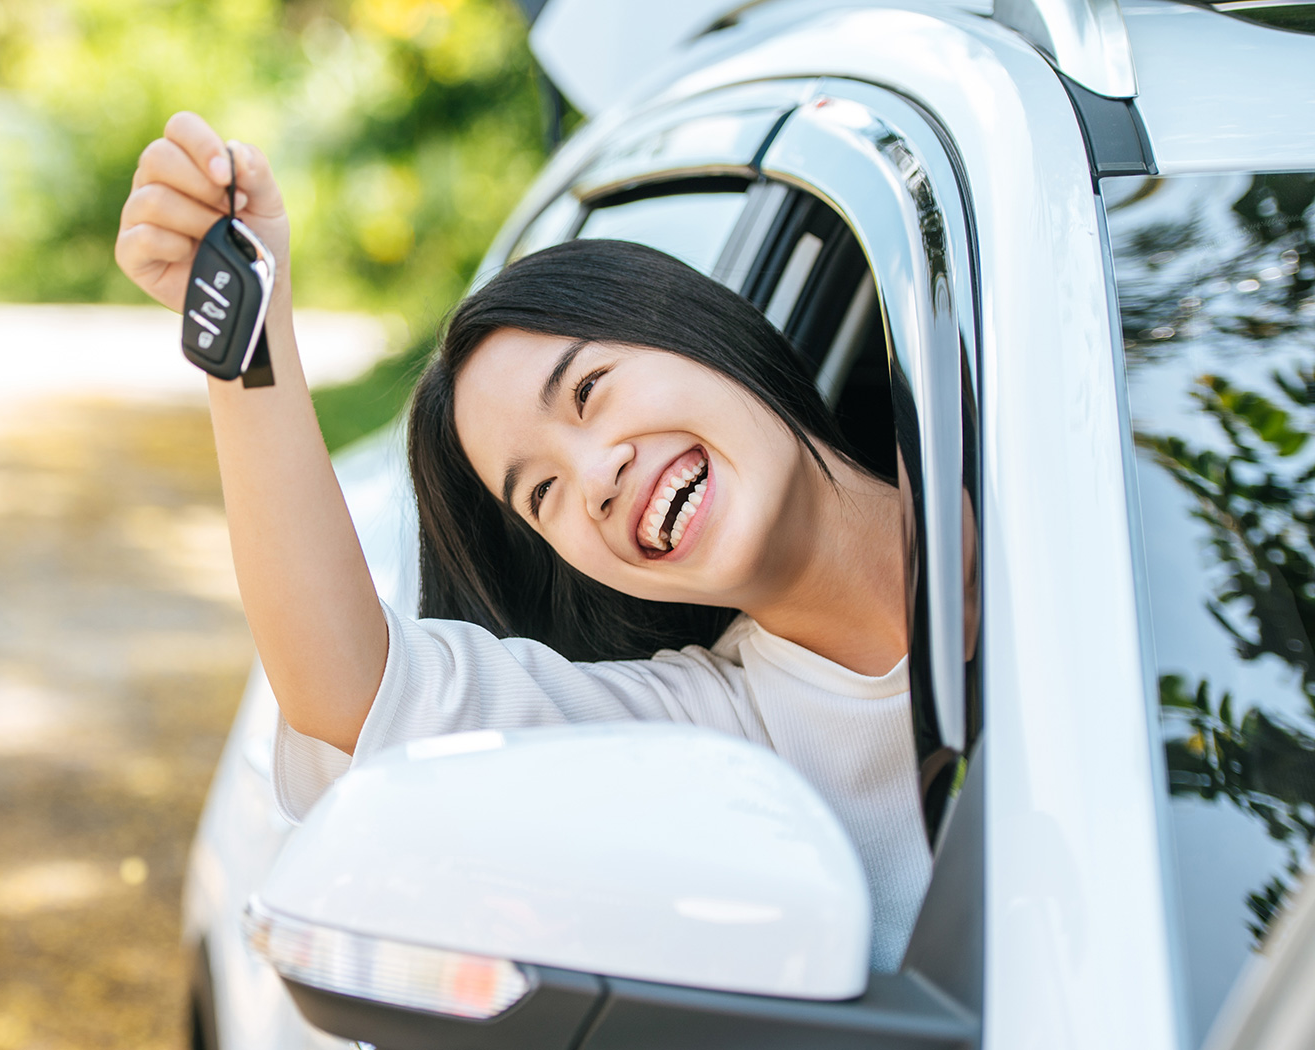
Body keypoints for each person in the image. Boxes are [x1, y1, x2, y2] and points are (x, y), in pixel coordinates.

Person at [115, 113, 927, 972]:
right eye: (541, 495)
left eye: (589, 390)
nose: (596, 479)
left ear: (704, 332)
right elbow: (345, 689)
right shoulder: (719, 735)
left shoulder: (1057, 430)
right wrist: (250, 332)